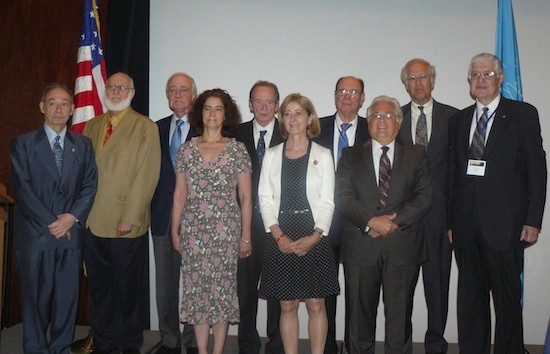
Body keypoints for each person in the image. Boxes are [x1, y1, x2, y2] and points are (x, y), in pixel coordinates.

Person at [448, 52, 547, 354]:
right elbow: (453, 176)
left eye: (487, 74)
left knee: (506, 303)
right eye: (475, 74)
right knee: (470, 305)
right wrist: (452, 223)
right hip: (466, 230)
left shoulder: (522, 114)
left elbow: (537, 171)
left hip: (506, 228)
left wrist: (533, 220)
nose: (480, 80)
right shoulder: (459, 119)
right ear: (468, 80)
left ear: (500, 78)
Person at [335, 95, 433, 354]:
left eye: (388, 115)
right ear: (368, 122)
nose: (381, 120)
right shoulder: (350, 155)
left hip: (403, 247)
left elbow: (424, 197)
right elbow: (342, 197)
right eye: (376, 115)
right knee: (358, 321)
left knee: (399, 320)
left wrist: (393, 222)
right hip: (361, 245)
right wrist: (370, 221)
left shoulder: (416, 154)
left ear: (399, 123)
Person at [10, 83, 97, 354]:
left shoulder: (83, 145)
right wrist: (54, 222)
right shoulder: (23, 144)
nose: (59, 109)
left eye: (64, 103)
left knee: (66, 300)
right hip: (37, 237)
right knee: (36, 301)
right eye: (52, 103)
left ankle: (60, 348)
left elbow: (90, 184)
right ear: (42, 107)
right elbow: (22, 188)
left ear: (72, 109)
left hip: (71, 237)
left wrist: (71, 217)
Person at [83, 72, 161, 354]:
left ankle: (128, 345)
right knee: (100, 289)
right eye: (111, 86)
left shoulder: (145, 127)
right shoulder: (92, 125)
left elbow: (147, 175)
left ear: (132, 91)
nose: (116, 91)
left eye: (122, 87)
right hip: (93, 221)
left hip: (124, 223)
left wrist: (130, 216)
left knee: (127, 290)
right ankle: (103, 343)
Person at [171, 88, 252, 354]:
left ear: (226, 114)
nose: (213, 114)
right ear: (200, 113)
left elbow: (246, 197)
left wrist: (245, 237)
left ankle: (218, 351)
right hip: (193, 231)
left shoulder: (237, 150)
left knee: (221, 292)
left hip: (226, 232)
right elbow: (180, 194)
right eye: (207, 108)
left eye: (218, 109)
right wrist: (175, 231)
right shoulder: (186, 150)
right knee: (197, 292)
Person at [258, 93, 340, 354]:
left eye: (298, 113)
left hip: (314, 233)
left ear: (310, 119)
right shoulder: (271, 155)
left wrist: (316, 235)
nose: (292, 118)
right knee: (287, 305)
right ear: (282, 119)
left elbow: (328, 201)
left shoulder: (323, 155)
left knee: (316, 304)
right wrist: (279, 236)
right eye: (288, 113)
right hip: (281, 234)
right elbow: (264, 198)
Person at [398, 58, 459, 354]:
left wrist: (455, 221)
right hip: (403, 221)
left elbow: (460, 173)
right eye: (412, 78)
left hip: (440, 219)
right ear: (405, 84)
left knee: (438, 288)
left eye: (423, 77)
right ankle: (402, 344)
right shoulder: (392, 118)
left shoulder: (455, 118)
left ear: (433, 81)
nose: (418, 83)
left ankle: (436, 344)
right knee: (402, 291)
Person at [314, 76, 369, 354]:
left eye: (353, 92)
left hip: (359, 224)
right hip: (323, 224)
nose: (347, 96)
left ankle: (353, 346)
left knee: (357, 292)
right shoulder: (316, 128)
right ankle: (327, 346)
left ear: (362, 98)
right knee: (326, 291)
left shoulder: (374, 130)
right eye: (342, 91)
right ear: (334, 95)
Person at [234, 81, 285, 354]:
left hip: (278, 226)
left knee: (276, 289)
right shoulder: (236, 134)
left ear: (277, 105)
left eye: (269, 102)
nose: (264, 107)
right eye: (258, 101)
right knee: (245, 290)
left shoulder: (290, 133)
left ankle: (275, 344)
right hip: (246, 226)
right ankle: (247, 344)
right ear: (250, 104)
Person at [151, 72, 198, 354]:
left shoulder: (207, 129)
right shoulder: (153, 129)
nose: (178, 94)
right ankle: (170, 340)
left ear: (193, 95)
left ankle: (193, 341)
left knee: (194, 285)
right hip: (161, 217)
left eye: (184, 90)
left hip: (197, 220)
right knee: (165, 288)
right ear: (167, 96)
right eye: (172, 90)